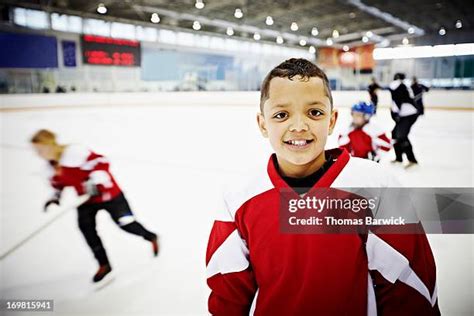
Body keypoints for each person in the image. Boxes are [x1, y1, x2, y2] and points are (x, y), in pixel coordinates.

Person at [206, 59, 439, 315]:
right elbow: (228, 292)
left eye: (314, 112)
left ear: (331, 120)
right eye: (281, 115)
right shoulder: (238, 196)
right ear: (263, 124)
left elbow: (412, 289)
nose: (298, 126)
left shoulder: (377, 187)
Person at [30, 129, 159, 283]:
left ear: (50, 145)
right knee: (87, 229)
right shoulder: (50, 168)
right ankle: (103, 264)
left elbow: (101, 162)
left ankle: (150, 236)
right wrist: (55, 196)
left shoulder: (74, 153)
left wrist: (94, 179)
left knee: (125, 224)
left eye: (40, 149)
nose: (38, 154)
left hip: (109, 195)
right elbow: (58, 184)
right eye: (35, 151)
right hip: (86, 199)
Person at [389, 73, 420, 168]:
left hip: (408, 114)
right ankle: (399, 158)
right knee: (395, 133)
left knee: (401, 135)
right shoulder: (404, 85)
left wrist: (395, 114)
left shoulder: (397, 85)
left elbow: (396, 101)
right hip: (406, 114)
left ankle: (412, 160)